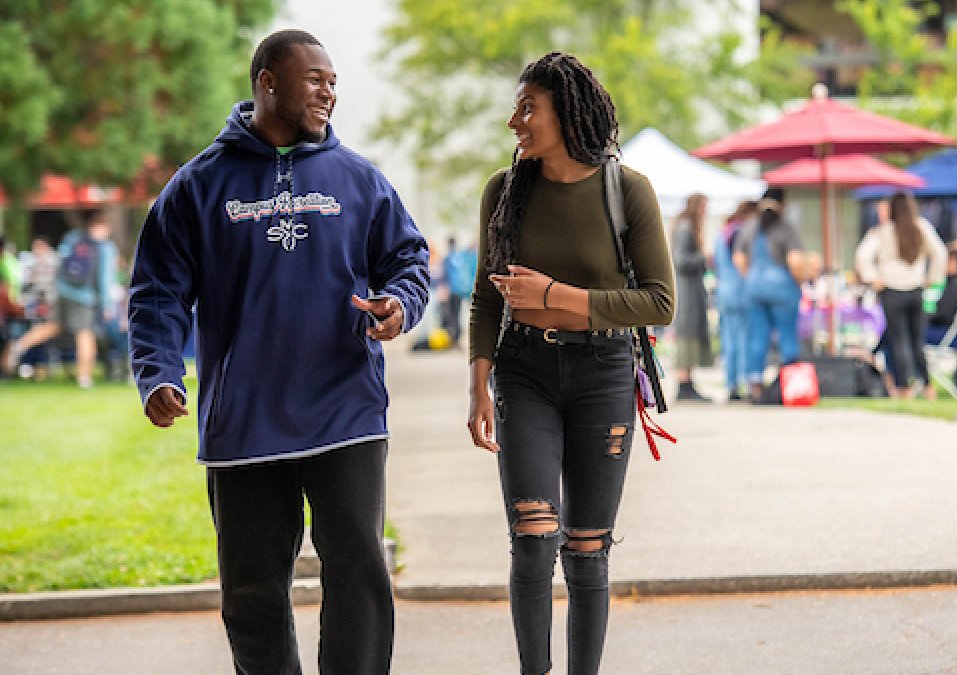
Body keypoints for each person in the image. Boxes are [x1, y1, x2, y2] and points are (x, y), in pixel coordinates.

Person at [127, 29, 430, 673]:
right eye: (315, 79)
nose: (329, 91)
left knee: (359, 572)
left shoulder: (359, 178)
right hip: (246, 422)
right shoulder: (197, 187)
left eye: (333, 81)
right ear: (267, 82)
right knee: (253, 590)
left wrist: (399, 304)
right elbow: (157, 294)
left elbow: (408, 259)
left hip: (346, 409)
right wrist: (157, 372)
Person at [466, 51, 674, 675]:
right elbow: (483, 299)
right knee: (534, 542)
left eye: (528, 108)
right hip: (523, 372)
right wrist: (478, 388)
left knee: (588, 552)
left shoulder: (627, 191)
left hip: (603, 375)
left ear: (568, 114)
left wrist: (557, 296)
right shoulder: (503, 193)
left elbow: (660, 302)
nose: (515, 122)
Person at [2, 211, 118, 388]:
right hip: (85, 298)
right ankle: (84, 377)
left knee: (52, 326)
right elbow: (104, 279)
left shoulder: (73, 238)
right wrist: (106, 305)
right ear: (105, 227)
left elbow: (59, 264)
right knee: (85, 333)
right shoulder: (105, 247)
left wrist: (59, 288)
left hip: (62, 293)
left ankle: (18, 345)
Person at [855, 190, 947, 400]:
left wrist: (873, 278)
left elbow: (862, 255)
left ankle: (904, 386)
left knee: (898, 340)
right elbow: (940, 252)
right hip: (916, 289)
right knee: (917, 340)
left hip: (891, 290)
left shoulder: (883, 232)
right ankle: (927, 385)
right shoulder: (921, 227)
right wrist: (932, 277)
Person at [734, 189, 813, 404]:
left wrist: (752, 277)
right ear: (783, 203)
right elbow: (795, 261)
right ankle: (790, 388)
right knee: (787, 337)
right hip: (782, 289)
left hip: (754, 288)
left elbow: (739, 258)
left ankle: (755, 386)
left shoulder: (749, 226)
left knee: (758, 339)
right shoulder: (785, 227)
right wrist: (802, 280)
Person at [671, 193, 713, 402]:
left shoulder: (686, 226)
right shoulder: (686, 227)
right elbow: (680, 260)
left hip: (691, 288)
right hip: (687, 289)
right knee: (687, 334)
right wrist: (703, 257)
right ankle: (683, 382)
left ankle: (688, 380)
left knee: (691, 333)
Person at [714, 200, 757, 401]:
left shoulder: (723, 232)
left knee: (729, 340)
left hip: (724, 290)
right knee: (744, 339)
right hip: (740, 290)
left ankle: (731, 384)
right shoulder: (741, 232)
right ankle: (745, 382)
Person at [924, 246, 957, 393]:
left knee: (901, 333)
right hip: (954, 334)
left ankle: (897, 380)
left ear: (954, 262)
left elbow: (943, 315)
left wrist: (921, 317)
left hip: (947, 334)